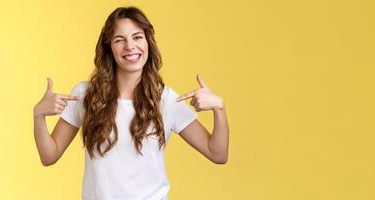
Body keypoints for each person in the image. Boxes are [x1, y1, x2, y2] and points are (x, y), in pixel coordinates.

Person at [33, 6, 229, 200]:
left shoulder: (166, 100)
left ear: (148, 43)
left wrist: (219, 108)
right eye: (120, 40)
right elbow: (49, 156)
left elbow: (217, 153)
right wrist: (39, 115)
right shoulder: (85, 95)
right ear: (109, 47)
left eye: (137, 37)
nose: (130, 46)